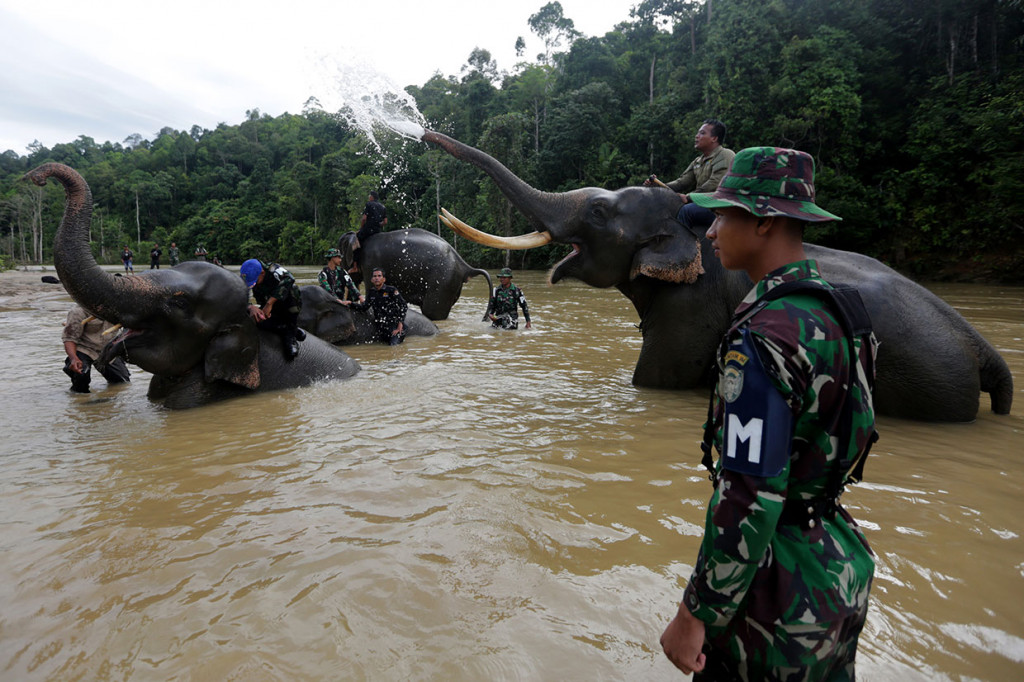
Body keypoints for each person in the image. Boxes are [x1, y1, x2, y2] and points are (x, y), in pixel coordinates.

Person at [660, 147, 879, 680]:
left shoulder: (763, 336)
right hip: (837, 567)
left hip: (774, 598)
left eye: (723, 216)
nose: (712, 232)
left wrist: (695, 612)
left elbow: (749, 494)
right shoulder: (842, 312)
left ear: (764, 222)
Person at [645, 119, 735, 234]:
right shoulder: (697, 161)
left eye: (702, 133)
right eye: (698, 133)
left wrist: (689, 197)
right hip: (703, 203)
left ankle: (680, 244)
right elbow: (682, 182)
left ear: (714, 138)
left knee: (687, 211)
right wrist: (658, 187)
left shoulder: (725, 154)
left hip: (719, 206)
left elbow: (714, 184)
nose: (697, 136)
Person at [240, 259, 306, 360]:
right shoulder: (248, 278)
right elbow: (239, 296)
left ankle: (291, 335)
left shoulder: (273, 269)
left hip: (282, 302)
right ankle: (286, 328)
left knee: (293, 289)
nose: (254, 285)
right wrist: (251, 307)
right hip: (266, 305)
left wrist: (269, 303)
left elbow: (290, 278)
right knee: (255, 320)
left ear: (262, 273)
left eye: (255, 281)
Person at [62, 304, 131, 393]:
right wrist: (73, 358)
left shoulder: (118, 308)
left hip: (107, 349)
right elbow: (70, 339)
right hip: (84, 348)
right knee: (81, 376)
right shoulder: (78, 311)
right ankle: (78, 396)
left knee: (122, 382)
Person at [351, 268, 407, 345]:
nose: (377, 278)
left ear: (384, 279)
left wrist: (400, 324)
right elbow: (364, 307)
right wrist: (350, 304)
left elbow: (403, 305)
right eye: (374, 276)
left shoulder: (391, 290)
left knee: (393, 347)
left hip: (395, 327)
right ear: (372, 280)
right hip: (382, 328)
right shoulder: (371, 292)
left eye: (379, 276)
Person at [350, 190, 387, 272]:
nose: (369, 197)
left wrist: (361, 228)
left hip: (368, 229)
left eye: (369, 196)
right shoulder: (383, 207)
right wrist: (378, 225)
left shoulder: (369, 204)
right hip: (378, 230)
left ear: (371, 197)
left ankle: (355, 266)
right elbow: (385, 222)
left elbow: (364, 219)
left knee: (356, 241)